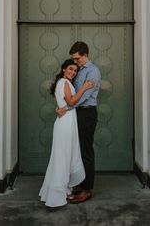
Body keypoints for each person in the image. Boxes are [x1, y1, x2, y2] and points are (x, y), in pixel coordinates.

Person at [39, 59, 94, 208]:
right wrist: (84, 87)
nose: (73, 72)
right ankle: (58, 193)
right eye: (70, 69)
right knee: (63, 157)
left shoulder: (63, 83)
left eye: (75, 71)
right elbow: (70, 102)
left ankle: (63, 189)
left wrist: (61, 108)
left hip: (67, 122)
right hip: (65, 125)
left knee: (64, 156)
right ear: (64, 69)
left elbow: (65, 105)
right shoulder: (64, 82)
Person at [57, 42, 101, 204]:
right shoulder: (79, 70)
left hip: (87, 113)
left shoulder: (93, 71)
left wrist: (65, 108)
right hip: (76, 112)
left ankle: (87, 190)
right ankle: (79, 184)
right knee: (77, 149)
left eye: (77, 59)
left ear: (85, 55)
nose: (75, 62)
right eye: (73, 59)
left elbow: (83, 97)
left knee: (85, 151)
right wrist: (64, 106)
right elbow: (70, 92)